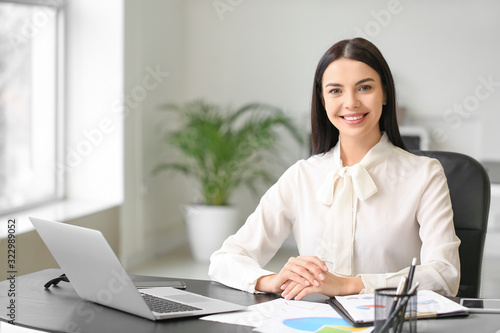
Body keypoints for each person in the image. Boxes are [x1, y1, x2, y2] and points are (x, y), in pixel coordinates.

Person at [208, 37, 460, 300]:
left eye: (364, 87)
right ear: (323, 99)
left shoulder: (425, 174)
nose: (350, 102)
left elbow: (445, 274)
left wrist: (351, 285)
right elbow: (225, 259)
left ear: (384, 92)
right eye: (336, 91)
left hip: (387, 323)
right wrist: (270, 280)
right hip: (312, 323)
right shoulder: (302, 176)